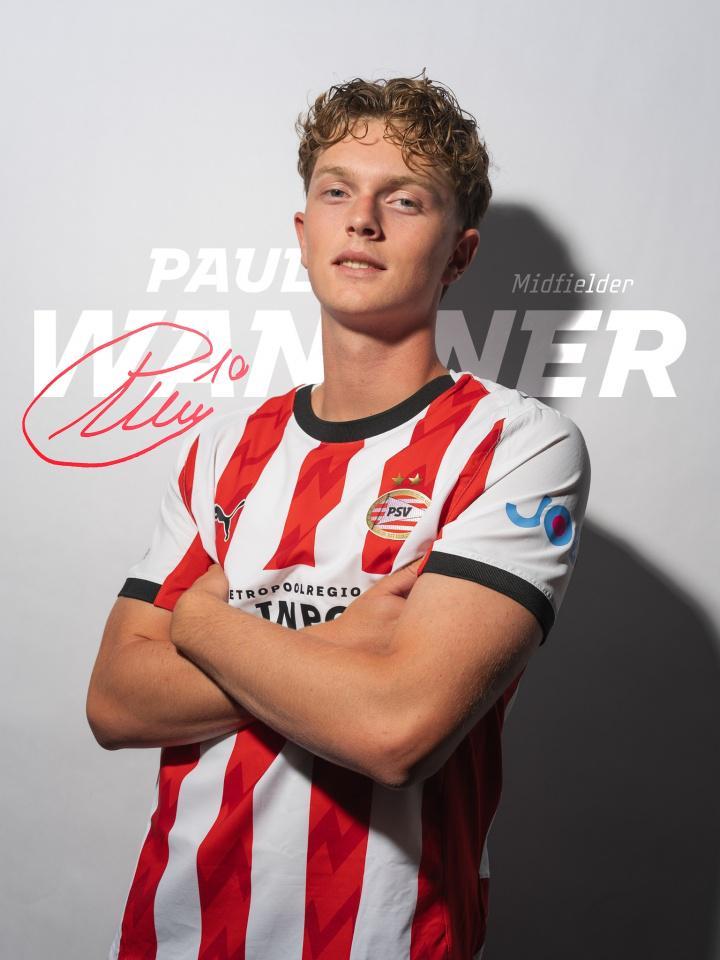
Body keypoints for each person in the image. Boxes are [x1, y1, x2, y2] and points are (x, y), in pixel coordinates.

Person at [87, 71, 591, 960]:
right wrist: (341, 647)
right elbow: (116, 701)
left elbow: (394, 730)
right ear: (303, 232)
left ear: (460, 253)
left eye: (404, 199)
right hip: (178, 932)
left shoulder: (516, 445)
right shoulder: (225, 447)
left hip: (388, 940)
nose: (362, 220)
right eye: (336, 192)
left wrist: (201, 622)